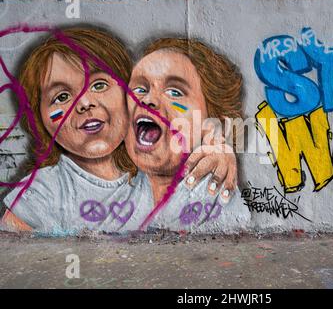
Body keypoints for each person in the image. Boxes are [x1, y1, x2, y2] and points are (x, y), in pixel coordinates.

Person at [1, 28, 238, 234]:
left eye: (99, 84)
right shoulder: (43, 190)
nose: (84, 103)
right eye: (61, 96)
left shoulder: (148, 170)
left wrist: (219, 150)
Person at [126, 38, 251, 233]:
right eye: (140, 89)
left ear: (217, 124)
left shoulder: (218, 200)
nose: (147, 99)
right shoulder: (120, 189)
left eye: (174, 92)